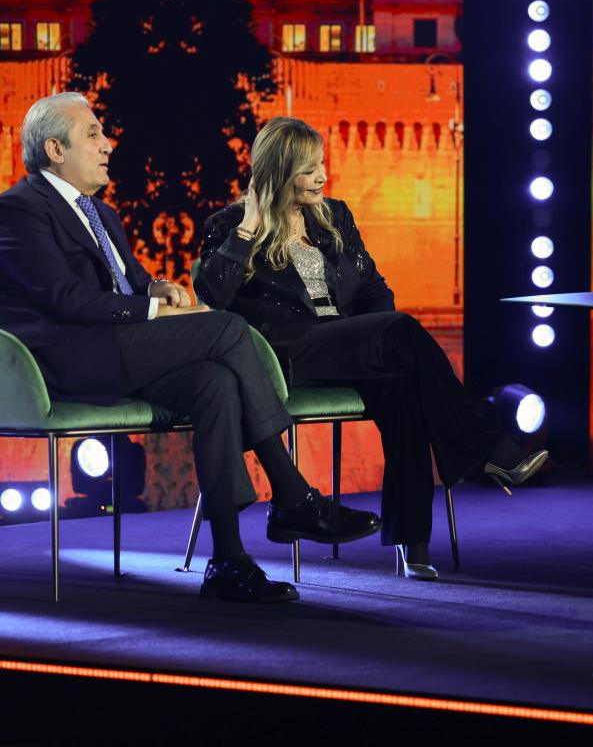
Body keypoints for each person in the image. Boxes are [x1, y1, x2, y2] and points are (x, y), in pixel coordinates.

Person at [0, 93, 382, 603]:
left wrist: (157, 289)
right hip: (66, 361)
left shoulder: (101, 213)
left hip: (118, 350)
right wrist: (156, 312)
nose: (108, 144)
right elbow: (64, 298)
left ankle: (228, 561)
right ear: (55, 150)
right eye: (93, 134)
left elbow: (130, 283)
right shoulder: (19, 209)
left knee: (214, 383)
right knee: (227, 329)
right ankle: (292, 494)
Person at [195, 117, 548, 580]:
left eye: (322, 164)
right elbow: (214, 295)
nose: (322, 176)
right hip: (286, 354)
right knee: (400, 331)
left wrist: (374, 336)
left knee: (404, 386)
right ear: (279, 172)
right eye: (308, 169)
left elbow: (374, 288)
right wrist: (249, 228)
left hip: (346, 345)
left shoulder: (334, 216)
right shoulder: (230, 224)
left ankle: (412, 543)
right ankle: (484, 446)